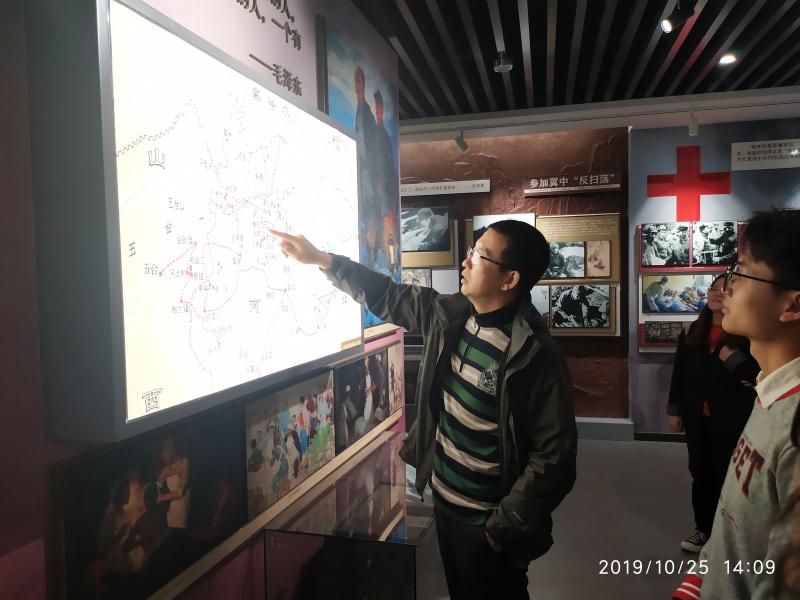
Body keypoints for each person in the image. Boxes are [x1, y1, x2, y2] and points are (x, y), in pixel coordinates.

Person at [271, 220, 576, 600]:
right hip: (445, 503)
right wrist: (323, 260)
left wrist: (505, 524)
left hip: (487, 521)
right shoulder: (449, 316)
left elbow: (555, 456)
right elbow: (388, 294)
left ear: (509, 279)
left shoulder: (534, 355)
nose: (466, 262)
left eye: (479, 256)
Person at [672, 208, 800, 600]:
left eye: (740, 275)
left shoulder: (794, 426)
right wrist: (698, 583)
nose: (725, 289)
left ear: (793, 306)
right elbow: (736, 527)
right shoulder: (769, 392)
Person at [667, 274, 759, 554]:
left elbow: (757, 378)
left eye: (725, 289)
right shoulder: (692, 331)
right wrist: (674, 410)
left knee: (728, 475)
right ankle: (703, 529)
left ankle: (729, 535)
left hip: (733, 416)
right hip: (697, 416)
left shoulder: (746, 334)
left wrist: (735, 360)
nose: (717, 293)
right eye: (713, 288)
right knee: (700, 473)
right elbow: (679, 374)